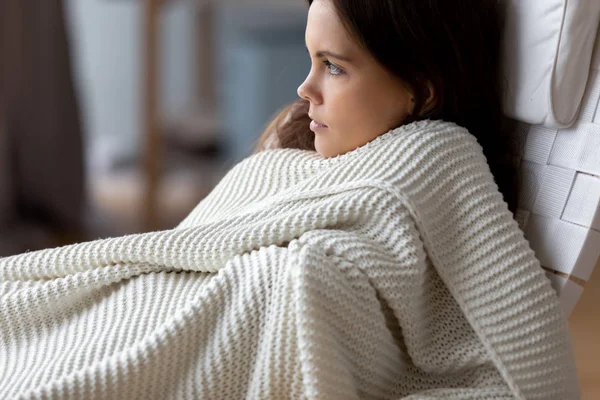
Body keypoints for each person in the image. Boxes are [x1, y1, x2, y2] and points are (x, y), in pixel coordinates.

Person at [0, 0, 580, 398]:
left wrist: (301, 276)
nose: (306, 90)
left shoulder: (441, 160)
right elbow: (184, 254)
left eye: (333, 67)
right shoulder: (299, 151)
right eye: (311, 60)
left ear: (419, 89)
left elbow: (519, 360)